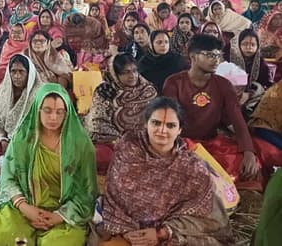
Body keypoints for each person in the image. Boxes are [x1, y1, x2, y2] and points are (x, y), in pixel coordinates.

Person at [97, 97, 233, 245]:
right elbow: (114, 199)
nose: (162, 130)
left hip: (171, 237)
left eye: (170, 125)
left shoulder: (192, 167)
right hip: (127, 233)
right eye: (156, 123)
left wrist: (162, 233)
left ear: (179, 130)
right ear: (146, 124)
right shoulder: (128, 150)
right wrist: (127, 231)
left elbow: (210, 219)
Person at [0, 84, 96, 246]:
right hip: (24, 205)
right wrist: (24, 207)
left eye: (59, 112)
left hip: (63, 211)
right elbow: (8, 178)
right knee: (5, 236)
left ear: (67, 113)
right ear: (37, 110)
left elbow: (86, 191)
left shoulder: (80, 145)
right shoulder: (23, 138)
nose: (53, 117)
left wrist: (58, 216)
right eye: (47, 111)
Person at [163, 35, 261, 189]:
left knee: (249, 165)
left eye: (218, 55)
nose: (216, 60)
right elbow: (170, 120)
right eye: (209, 55)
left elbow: (237, 119)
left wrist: (248, 151)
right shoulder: (174, 83)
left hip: (212, 142)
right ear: (193, 56)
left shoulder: (224, 84)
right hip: (181, 145)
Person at [86, 54, 158, 173]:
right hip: (113, 141)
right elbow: (98, 122)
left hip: (145, 140)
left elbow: (156, 119)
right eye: (125, 72)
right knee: (101, 156)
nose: (132, 76)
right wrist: (121, 142)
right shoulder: (105, 91)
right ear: (115, 74)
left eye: (134, 71)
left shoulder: (147, 91)